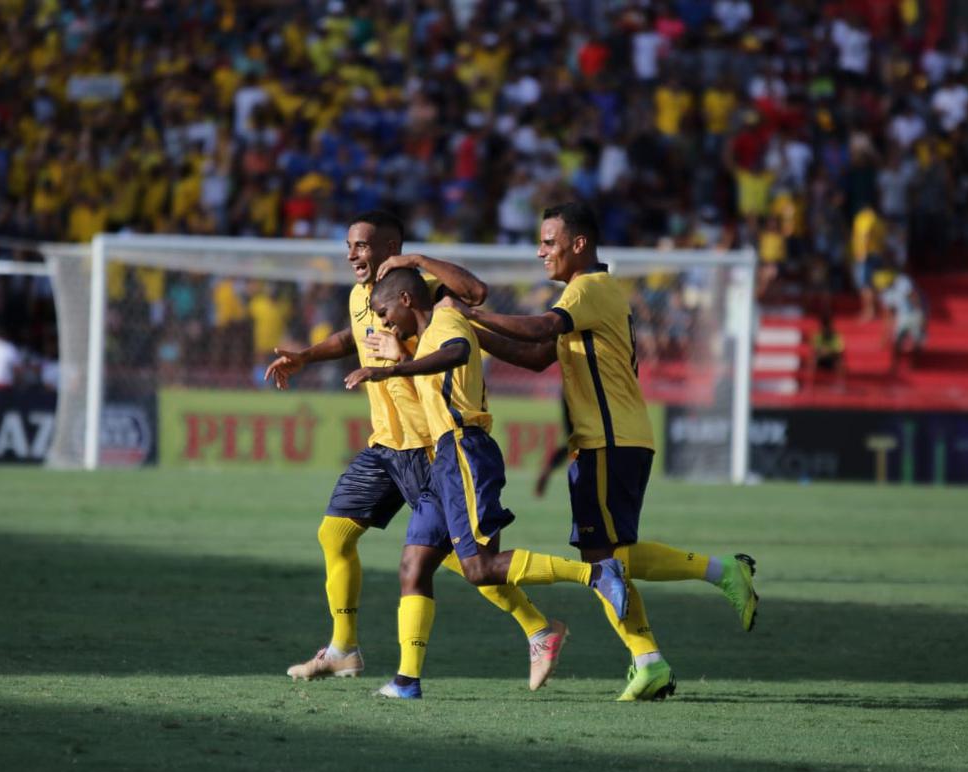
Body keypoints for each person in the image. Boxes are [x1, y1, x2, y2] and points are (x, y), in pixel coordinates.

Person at [430, 202, 758, 701]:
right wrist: (475, 332)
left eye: (548, 241)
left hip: (610, 440)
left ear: (578, 243)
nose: (541, 251)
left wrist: (471, 315)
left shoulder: (587, 289)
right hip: (614, 439)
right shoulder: (591, 294)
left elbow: (541, 330)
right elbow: (540, 356)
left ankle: (657, 650)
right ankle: (665, 640)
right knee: (613, 556)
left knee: (603, 560)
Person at [265, 211, 569, 691]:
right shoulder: (359, 297)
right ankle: (344, 649)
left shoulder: (426, 292)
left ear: (390, 248)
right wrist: (306, 356)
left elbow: (477, 294)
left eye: (361, 246)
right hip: (385, 444)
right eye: (348, 246)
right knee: (335, 534)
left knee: (454, 558)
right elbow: (353, 338)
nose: (351, 256)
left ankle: (536, 627)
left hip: (429, 445)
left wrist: (418, 260)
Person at [345, 267, 631, 699]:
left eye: (385, 312)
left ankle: (596, 573)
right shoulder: (423, 338)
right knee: (414, 565)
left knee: (479, 568)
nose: (383, 322)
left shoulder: (444, 320)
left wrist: (390, 372)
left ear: (405, 299)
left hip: (464, 449)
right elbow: (438, 375)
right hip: (444, 459)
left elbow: (458, 351)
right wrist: (402, 360)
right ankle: (407, 681)